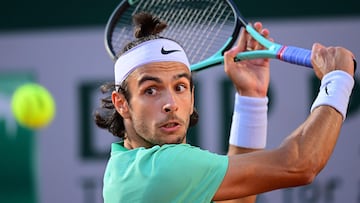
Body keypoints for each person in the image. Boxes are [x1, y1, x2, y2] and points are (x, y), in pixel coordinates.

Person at [94, 12, 356, 203]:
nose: (170, 104)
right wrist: (338, 78)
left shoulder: (123, 169)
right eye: (150, 90)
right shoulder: (162, 169)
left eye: (180, 87)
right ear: (122, 103)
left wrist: (251, 98)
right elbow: (300, 163)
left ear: (192, 96)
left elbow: (238, 200)